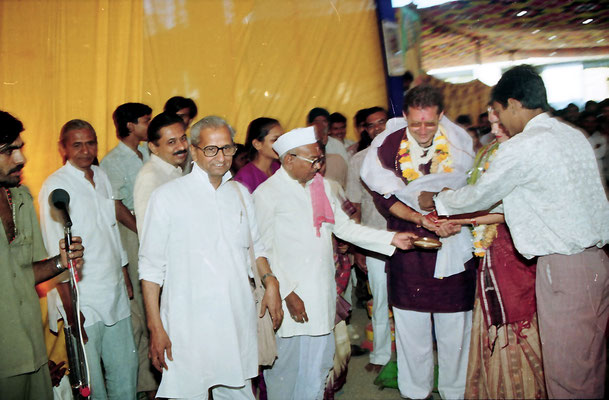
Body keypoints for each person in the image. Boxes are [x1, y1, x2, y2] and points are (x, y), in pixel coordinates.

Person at [427, 65, 609, 399]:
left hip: (564, 268)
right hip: (595, 264)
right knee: (590, 363)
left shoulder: (525, 145)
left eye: (497, 113)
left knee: (567, 373)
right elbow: (528, 202)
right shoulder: (570, 135)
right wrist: (468, 220)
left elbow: (480, 195)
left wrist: (438, 200)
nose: (499, 123)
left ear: (513, 104)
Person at [253, 126, 417, 400]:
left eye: (320, 159)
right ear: (288, 159)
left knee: (318, 370)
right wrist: (287, 293)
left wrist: (391, 239)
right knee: (285, 373)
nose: (318, 167)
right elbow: (262, 251)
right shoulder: (267, 194)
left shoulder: (323, 188)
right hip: (289, 298)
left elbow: (345, 228)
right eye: (312, 161)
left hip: (321, 294)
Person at [138, 116, 283, 400]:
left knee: (239, 393)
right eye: (211, 149)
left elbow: (257, 248)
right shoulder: (167, 197)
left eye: (227, 148)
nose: (221, 157)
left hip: (235, 319)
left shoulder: (240, 194)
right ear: (194, 151)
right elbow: (151, 269)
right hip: (186, 324)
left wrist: (270, 281)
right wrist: (156, 327)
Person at [360, 85, 477, 399]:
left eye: (430, 123)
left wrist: (451, 211)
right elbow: (384, 200)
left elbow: (476, 193)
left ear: (440, 116)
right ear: (405, 117)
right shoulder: (386, 148)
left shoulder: (460, 145)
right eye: (415, 124)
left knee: (455, 335)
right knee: (412, 335)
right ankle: (415, 393)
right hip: (410, 251)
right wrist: (420, 217)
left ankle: (455, 392)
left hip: (453, 250)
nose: (423, 130)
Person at [439, 109, 546, 398]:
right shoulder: (488, 152)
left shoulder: (524, 152)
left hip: (517, 248)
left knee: (517, 315)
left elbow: (507, 209)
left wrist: (460, 218)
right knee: (492, 313)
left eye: (501, 123)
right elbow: (478, 195)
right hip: (492, 250)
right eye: (493, 123)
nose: (496, 129)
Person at [39, 119, 138, 400]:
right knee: (92, 384)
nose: (85, 150)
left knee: (125, 373)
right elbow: (53, 251)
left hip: (114, 292)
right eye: (77, 144)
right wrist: (72, 312)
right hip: (83, 298)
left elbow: (111, 232)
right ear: (63, 148)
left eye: (91, 143)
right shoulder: (56, 185)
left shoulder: (102, 175)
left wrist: (125, 275)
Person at [0, 110, 84, 400]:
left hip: (31, 352)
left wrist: (61, 260)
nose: (21, 158)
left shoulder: (20, 196)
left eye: (20, 148)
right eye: (7, 151)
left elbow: (24, 272)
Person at [99, 102, 157, 398]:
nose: (150, 125)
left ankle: (154, 382)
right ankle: (141, 386)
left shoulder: (149, 152)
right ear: (130, 125)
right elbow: (116, 205)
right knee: (138, 307)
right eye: (146, 121)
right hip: (133, 234)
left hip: (152, 231)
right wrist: (142, 230)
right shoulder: (112, 161)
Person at [345, 109, 391, 374]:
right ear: (365, 129)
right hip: (375, 239)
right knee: (380, 298)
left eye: (381, 122)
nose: (377, 129)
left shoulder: (406, 154)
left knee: (410, 301)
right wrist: (358, 248)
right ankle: (381, 353)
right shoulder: (358, 160)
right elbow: (356, 206)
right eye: (371, 125)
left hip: (408, 239)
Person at [133, 112, 188, 234]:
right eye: (171, 142)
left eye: (183, 138)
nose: (181, 147)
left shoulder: (173, 170)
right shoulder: (150, 176)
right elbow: (147, 232)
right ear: (153, 147)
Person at [233, 117, 284, 194]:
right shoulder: (245, 177)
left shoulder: (279, 168)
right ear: (257, 144)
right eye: (275, 140)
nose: (281, 144)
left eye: (282, 139)